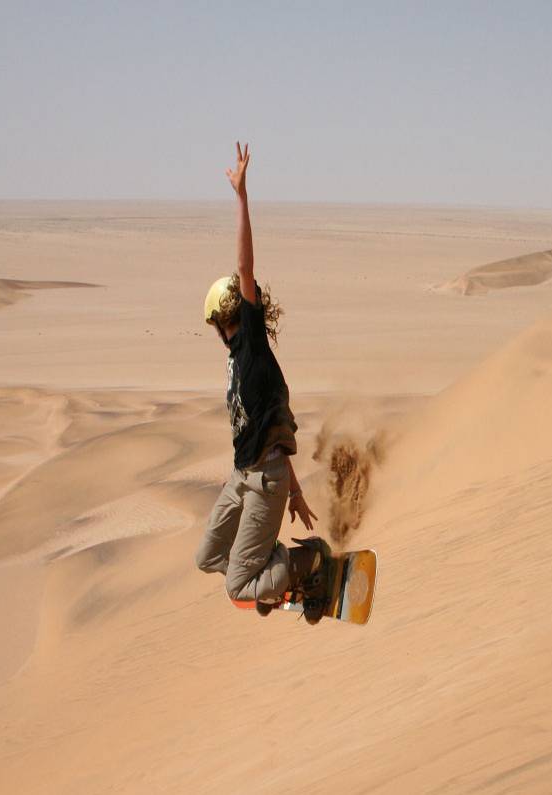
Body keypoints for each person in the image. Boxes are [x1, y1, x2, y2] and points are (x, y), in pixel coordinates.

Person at [194, 142, 329, 618]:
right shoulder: (235, 359)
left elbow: (245, 267)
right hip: (243, 475)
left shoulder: (249, 342)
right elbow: (269, 427)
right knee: (207, 557)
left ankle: (301, 564)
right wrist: (297, 491)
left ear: (220, 319)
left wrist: (241, 196)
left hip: (262, 481)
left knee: (237, 589)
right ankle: (266, 577)